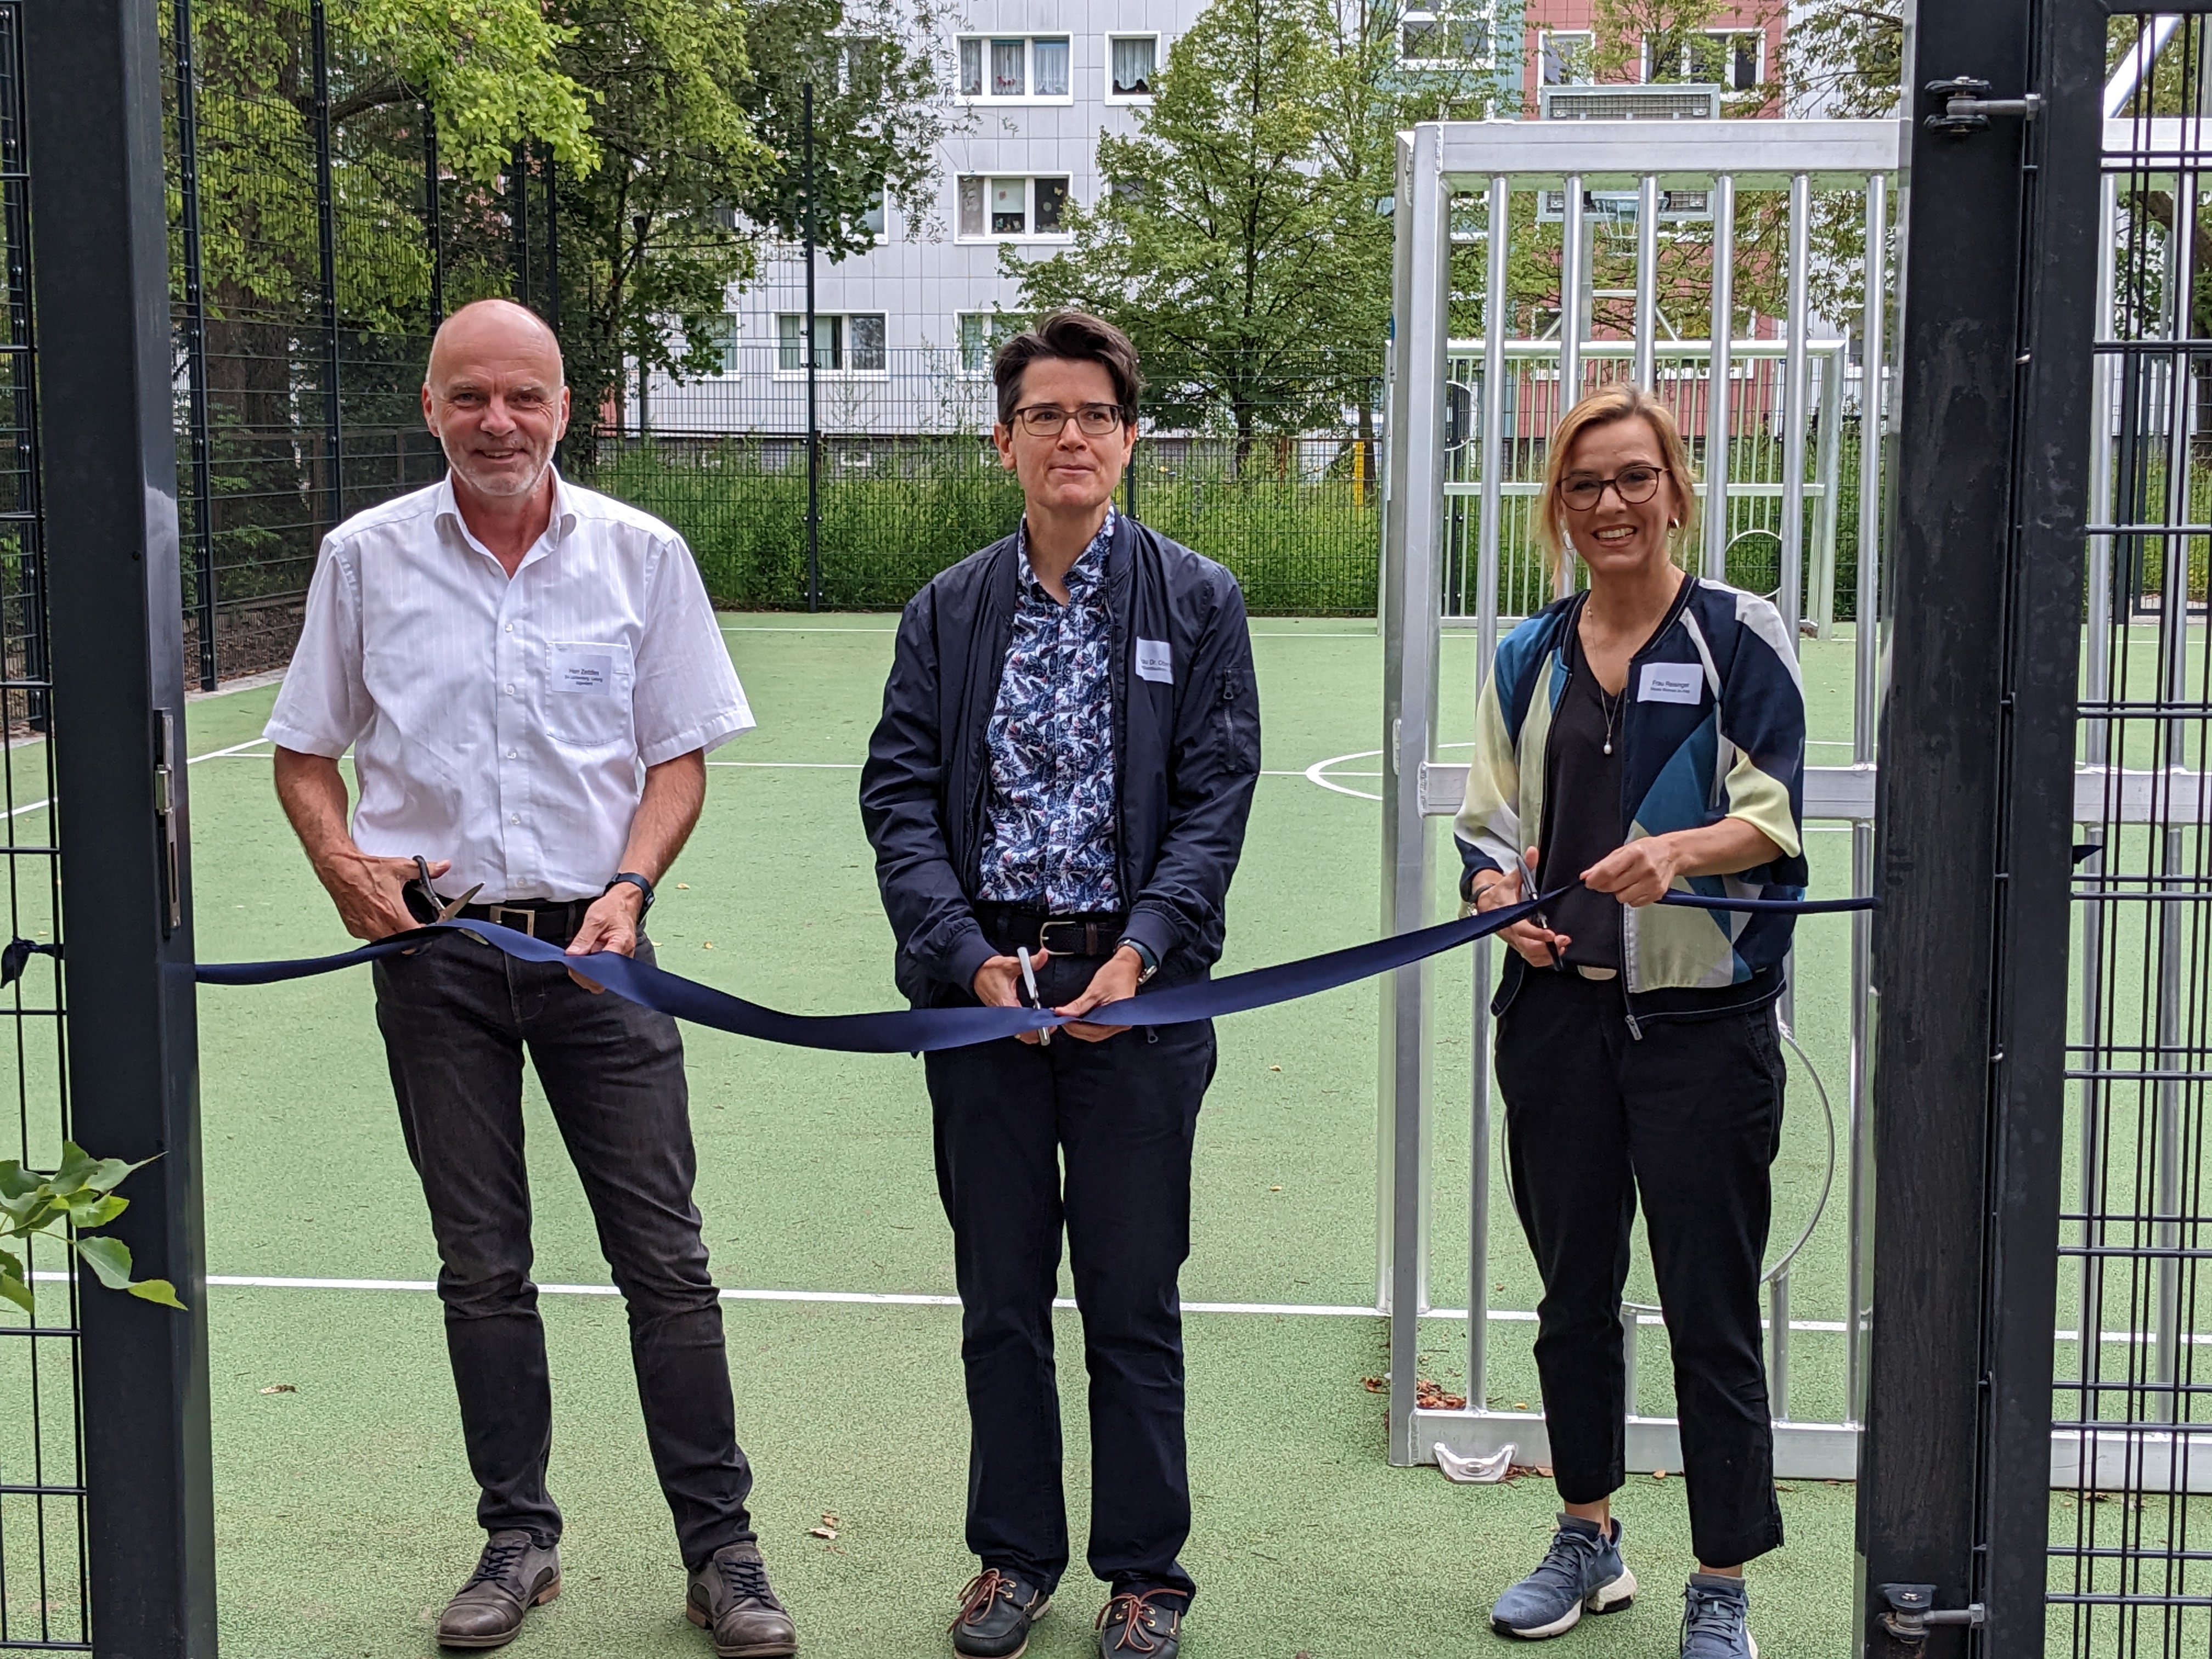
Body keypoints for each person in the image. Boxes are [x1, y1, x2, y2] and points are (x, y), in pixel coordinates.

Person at [263, 298, 797, 1658]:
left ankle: (722, 1554)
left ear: (571, 408)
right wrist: (339, 861)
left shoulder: (640, 555)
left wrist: (629, 890)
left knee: (665, 1261)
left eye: (524, 397)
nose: (497, 421)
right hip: (435, 956)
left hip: (600, 957)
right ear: (432, 406)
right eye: (470, 397)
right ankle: (518, 1539)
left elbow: (676, 758)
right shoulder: (365, 559)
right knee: (480, 1265)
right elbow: (307, 750)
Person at [859, 310, 1260, 1659]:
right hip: (982, 999)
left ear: (1130, 439)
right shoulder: (948, 609)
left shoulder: (1197, 600)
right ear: (1005, 440)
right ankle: (1013, 1560)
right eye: (1046, 415)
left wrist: (1141, 953)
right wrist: (967, 957)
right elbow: (900, 796)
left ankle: (1145, 1577)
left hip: (1137, 1000)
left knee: (1134, 1300)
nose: (1072, 436)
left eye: (1095, 415)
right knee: (1001, 1297)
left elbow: (1214, 801)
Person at [1455, 385, 1805, 1659]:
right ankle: (1587, 1535)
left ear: (1675, 489)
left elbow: (1772, 810)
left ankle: (1723, 1583)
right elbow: (1490, 829)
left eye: (1634, 479)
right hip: (1557, 1024)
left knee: (1710, 1308)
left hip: (1704, 1028)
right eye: (1586, 484)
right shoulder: (1526, 655)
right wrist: (1503, 902)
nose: (1611, 505)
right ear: (1560, 504)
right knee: (1570, 1300)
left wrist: (1679, 854)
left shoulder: (1736, 634)